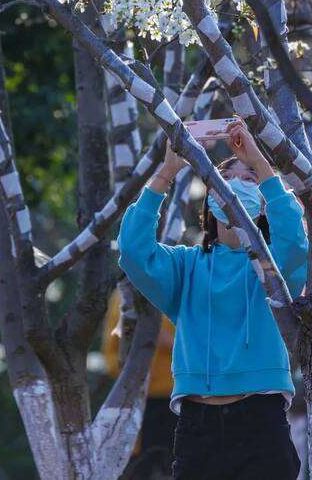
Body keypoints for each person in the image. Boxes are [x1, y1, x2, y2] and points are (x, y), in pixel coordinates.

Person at [118, 116, 308, 480]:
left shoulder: (273, 266)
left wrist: (260, 162)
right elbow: (132, 250)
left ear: (264, 201)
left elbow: (295, 240)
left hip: (261, 420)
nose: (237, 187)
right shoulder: (186, 267)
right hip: (197, 425)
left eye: (248, 179)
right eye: (226, 180)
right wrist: (166, 171)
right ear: (210, 198)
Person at [102, 287, 177, 479]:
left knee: (176, 461)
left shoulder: (181, 289)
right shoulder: (123, 296)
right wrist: (130, 374)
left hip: (178, 398)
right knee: (139, 464)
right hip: (137, 399)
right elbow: (110, 354)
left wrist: (171, 343)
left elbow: (206, 348)